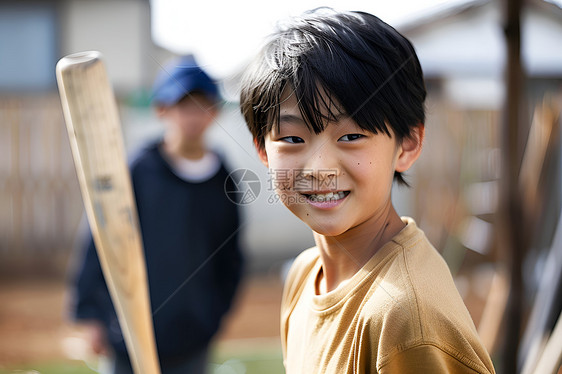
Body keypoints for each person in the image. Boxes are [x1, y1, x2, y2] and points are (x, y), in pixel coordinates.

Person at [239, 8, 496, 373]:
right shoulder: (304, 275)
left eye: (351, 136)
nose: (320, 169)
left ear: (407, 144)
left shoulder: (406, 317)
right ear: (263, 150)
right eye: (293, 138)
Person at [70, 55, 244, 374]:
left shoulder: (223, 180)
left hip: (192, 337)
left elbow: (230, 255)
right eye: (184, 105)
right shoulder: (137, 171)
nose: (193, 116)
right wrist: (90, 313)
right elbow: (100, 239)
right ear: (162, 109)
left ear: (215, 112)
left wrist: (214, 315)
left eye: (202, 105)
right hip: (127, 334)